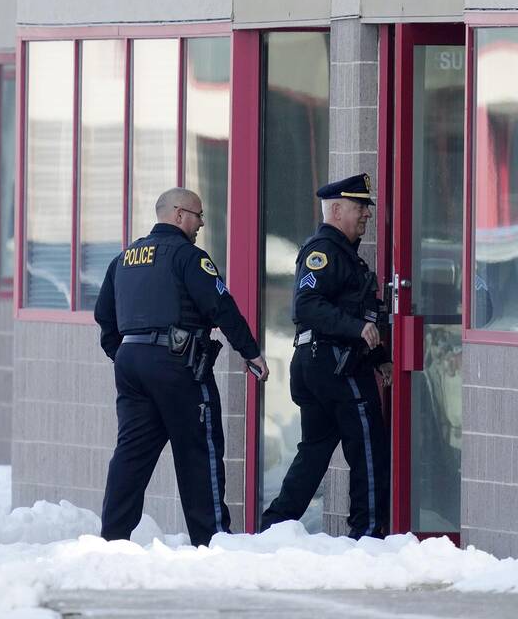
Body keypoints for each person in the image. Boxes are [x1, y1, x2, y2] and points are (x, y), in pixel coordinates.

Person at [94, 187, 268, 547]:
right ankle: (212, 541)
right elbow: (220, 305)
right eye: (198, 215)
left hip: (132, 364)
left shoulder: (124, 258)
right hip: (178, 364)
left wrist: (128, 355)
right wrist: (250, 351)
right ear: (178, 214)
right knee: (198, 451)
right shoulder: (188, 256)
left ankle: (112, 539)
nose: (202, 223)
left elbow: (104, 317)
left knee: (131, 453)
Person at [261, 173, 391, 539]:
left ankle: (274, 528)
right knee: (367, 446)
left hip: (324, 362)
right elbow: (308, 305)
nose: (366, 215)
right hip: (334, 364)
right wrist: (354, 330)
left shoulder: (345, 256)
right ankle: (366, 533)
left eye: (366, 208)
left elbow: (358, 312)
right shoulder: (324, 252)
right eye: (359, 207)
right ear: (335, 209)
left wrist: (380, 355)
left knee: (315, 452)